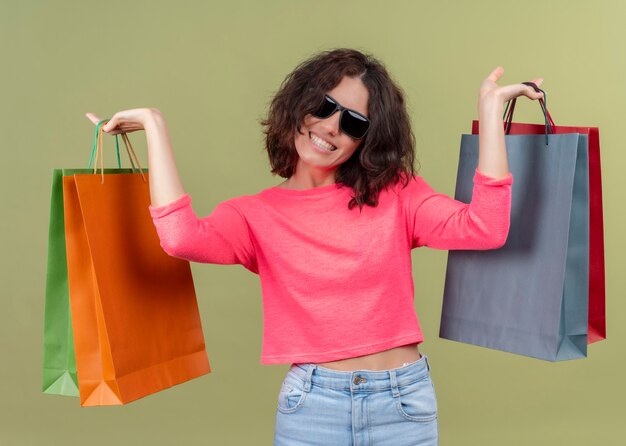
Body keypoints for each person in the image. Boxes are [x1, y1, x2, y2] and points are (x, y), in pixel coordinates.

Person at [86, 48, 543, 446]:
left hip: (403, 401)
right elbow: (180, 236)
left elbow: (485, 227)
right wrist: (154, 127)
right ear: (299, 104)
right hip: (312, 406)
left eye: (353, 121)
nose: (330, 126)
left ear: (368, 138)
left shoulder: (397, 192)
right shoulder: (254, 214)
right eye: (324, 106)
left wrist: (489, 115)